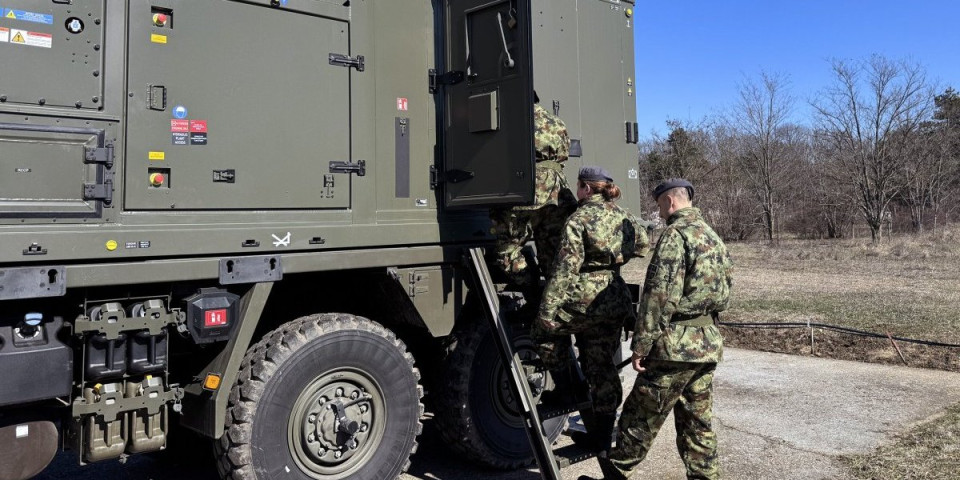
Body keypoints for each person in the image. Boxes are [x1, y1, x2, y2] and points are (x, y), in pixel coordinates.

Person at [583, 178, 733, 480]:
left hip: (674, 348)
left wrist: (641, 345)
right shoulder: (712, 236)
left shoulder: (675, 236)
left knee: (638, 418)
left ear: (670, 202)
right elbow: (724, 291)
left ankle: (615, 475)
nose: (660, 211)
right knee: (697, 425)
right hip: (706, 345)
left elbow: (658, 295)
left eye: (660, 205)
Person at [532, 166, 650, 452]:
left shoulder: (578, 219)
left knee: (543, 334)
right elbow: (644, 244)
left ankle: (566, 390)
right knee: (601, 365)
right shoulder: (622, 215)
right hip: (614, 295)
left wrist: (547, 311)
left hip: (582, 300)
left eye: (578, 186)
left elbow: (565, 270)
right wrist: (613, 259)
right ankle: (602, 434)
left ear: (585, 188)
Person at [489, 103, 577, 287]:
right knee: (553, 251)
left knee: (507, 249)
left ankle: (532, 288)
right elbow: (564, 155)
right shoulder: (557, 122)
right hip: (557, 190)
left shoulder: (514, 120)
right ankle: (554, 299)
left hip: (526, 187)